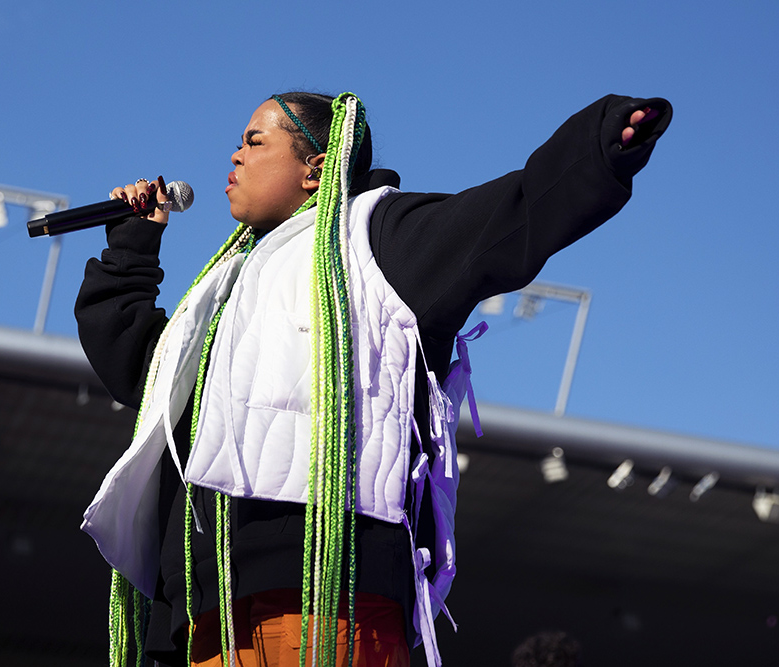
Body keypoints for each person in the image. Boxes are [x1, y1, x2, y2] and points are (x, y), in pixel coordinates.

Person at [75, 91, 672, 667]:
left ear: (315, 168)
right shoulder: (226, 282)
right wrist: (133, 246)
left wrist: (594, 148)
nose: (234, 155)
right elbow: (144, 374)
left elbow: (506, 218)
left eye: (255, 141)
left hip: (323, 594)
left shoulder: (376, 236)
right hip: (206, 604)